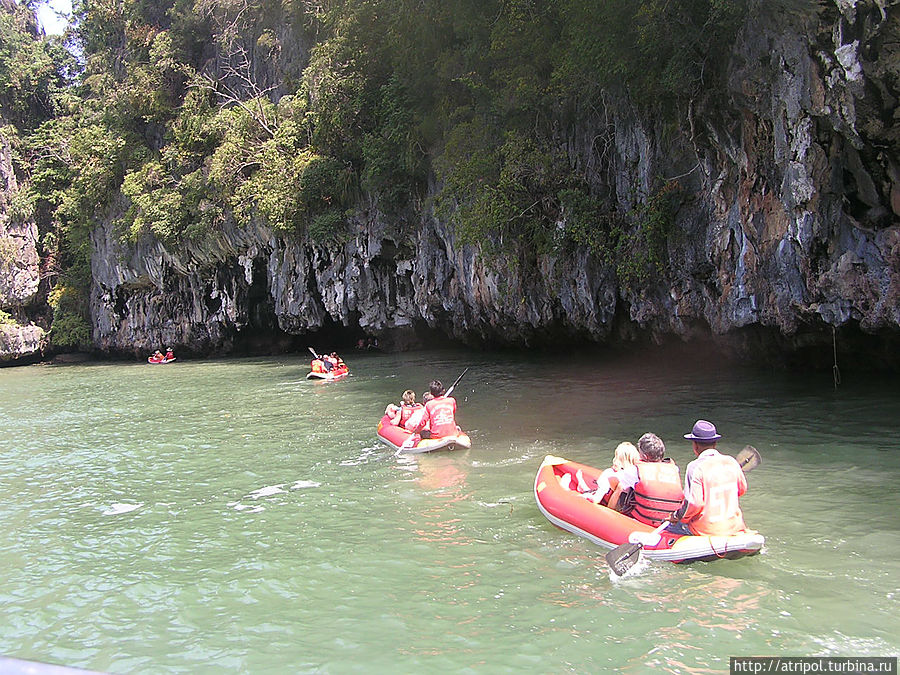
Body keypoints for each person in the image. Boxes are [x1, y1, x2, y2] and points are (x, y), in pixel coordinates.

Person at [667, 420, 748, 536]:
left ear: (695, 445)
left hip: (706, 530)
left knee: (671, 527)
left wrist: (676, 516)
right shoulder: (732, 462)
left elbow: (694, 504)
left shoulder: (695, 467)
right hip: (734, 527)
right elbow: (742, 490)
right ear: (715, 444)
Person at [610, 432, 683, 526]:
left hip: (646, 521)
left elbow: (613, 481)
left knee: (621, 487)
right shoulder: (674, 469)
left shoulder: (635, 471)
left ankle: (610, 512)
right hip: (670, 521)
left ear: (644, 456)